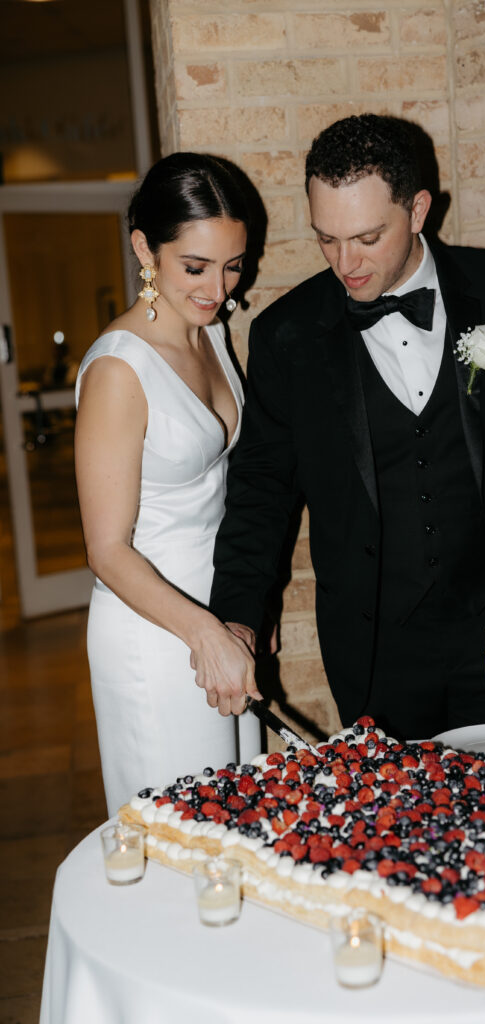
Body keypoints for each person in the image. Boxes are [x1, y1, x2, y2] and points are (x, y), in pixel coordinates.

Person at [210, 114, 485, 742]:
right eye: (327, 239)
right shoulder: (286, 334)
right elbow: (261, 489)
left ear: (418, 210)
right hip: (375, 648)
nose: (346, 263)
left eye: (367, 237)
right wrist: (236, 617)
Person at [75, 152, 261, 816]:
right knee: (185, 840)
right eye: (195, 267)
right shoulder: (119, 370)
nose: (218, 287)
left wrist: (233, 617)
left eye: (233, 264)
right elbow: (105, 549)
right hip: (153, 633)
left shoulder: (211, 333)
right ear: (144, 250)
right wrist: (202, 633)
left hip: (215, 622)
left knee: (238, 823)